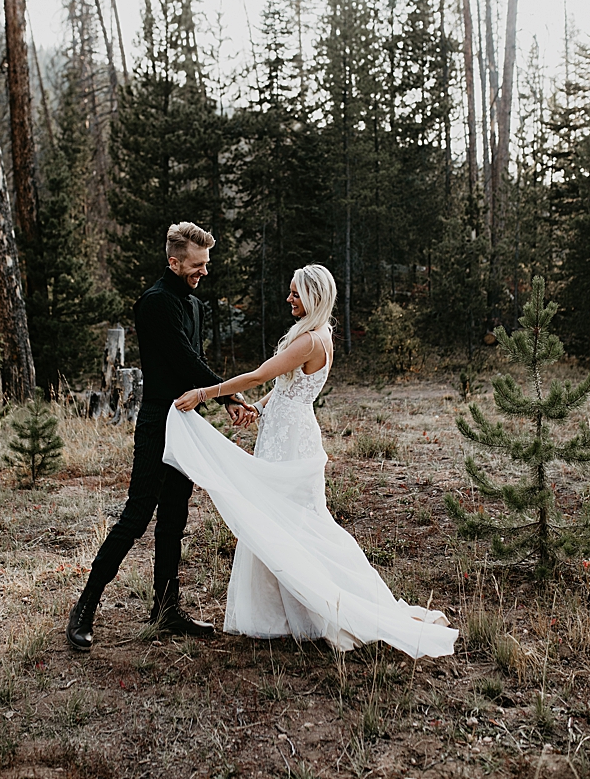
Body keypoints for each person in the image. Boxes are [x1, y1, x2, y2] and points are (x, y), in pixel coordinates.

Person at [164, 265, 456, 657]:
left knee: (296, 524)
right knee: (276, 519)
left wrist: (204, 393)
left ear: (314, 298)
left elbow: (258, 375)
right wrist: (258, 409)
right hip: (282, 430)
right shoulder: (316, 335)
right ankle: (280, 615)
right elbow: (284, 387)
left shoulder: (312, 341)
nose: (289, 299)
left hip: (292, 442)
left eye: (295, 294)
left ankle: (331, 606)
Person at [67, 223, 254, 650]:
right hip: (158, 421)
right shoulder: (153, 303)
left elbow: (197, 358)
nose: (203, 272)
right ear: (174, 261)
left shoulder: (194, 306)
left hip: (186, 422)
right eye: (196, 264)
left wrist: (223, 397)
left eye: (206, 265)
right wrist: (229, 394)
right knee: (136, 518)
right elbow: (183, 359)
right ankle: (85, 608)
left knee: (174, 518)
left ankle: (166, 610)